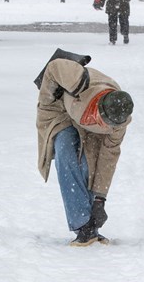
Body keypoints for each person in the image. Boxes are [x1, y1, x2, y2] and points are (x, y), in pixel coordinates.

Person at [36, 55, 134, 247]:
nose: (109, 127)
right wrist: (47, 101)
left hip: (87, 125)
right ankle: (82, 225)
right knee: (67, 155)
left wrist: (100, 199)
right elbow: (55, 66)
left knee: (89, 166)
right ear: (100, 109)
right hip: (62, 112)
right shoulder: (80, 83)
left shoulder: (118, 124)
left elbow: (108, 159)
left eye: (112, 125)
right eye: (105, 121)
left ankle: (90, 227)